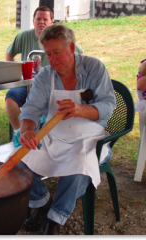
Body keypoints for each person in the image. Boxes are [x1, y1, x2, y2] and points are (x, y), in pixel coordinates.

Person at [13, 23, 116, 235]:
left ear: (72, 48)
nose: (53, 59)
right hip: (54, 137)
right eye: (49, 54)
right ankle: (42, 204)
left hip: (88, 137)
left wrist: (81, 109)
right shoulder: (45, 76)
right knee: (20, 166)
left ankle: (55, 219)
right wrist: (26, 130)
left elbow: (108, 106)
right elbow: (31, 110)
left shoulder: (95, 68)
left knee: (77, 171)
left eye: (57, 52)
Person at [5, 6, 86, 136]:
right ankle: (20, 133)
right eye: (38, 19)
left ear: (51, 22)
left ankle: (46, 134)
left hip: (51, 85)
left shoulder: (58, 39)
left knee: (51, 104)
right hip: (28, 84)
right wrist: (15, 75)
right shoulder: (23, 37)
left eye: (45, 19)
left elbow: (81, 54)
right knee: (11, 98)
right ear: (33, 21)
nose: (41, 22)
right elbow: (9, 53)